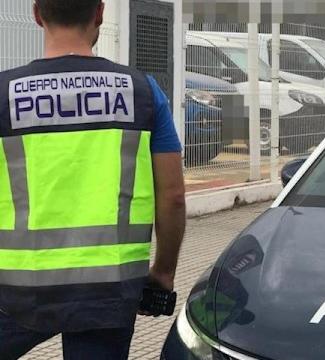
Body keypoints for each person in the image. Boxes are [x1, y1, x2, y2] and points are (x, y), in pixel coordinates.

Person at [0, 1, 186, 359]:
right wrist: (163, 272)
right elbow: (173, 195)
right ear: (99, 13)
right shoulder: (144, 93)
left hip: (18, 289)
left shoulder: (3, 94)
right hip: (109, 290)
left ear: (37, 14)